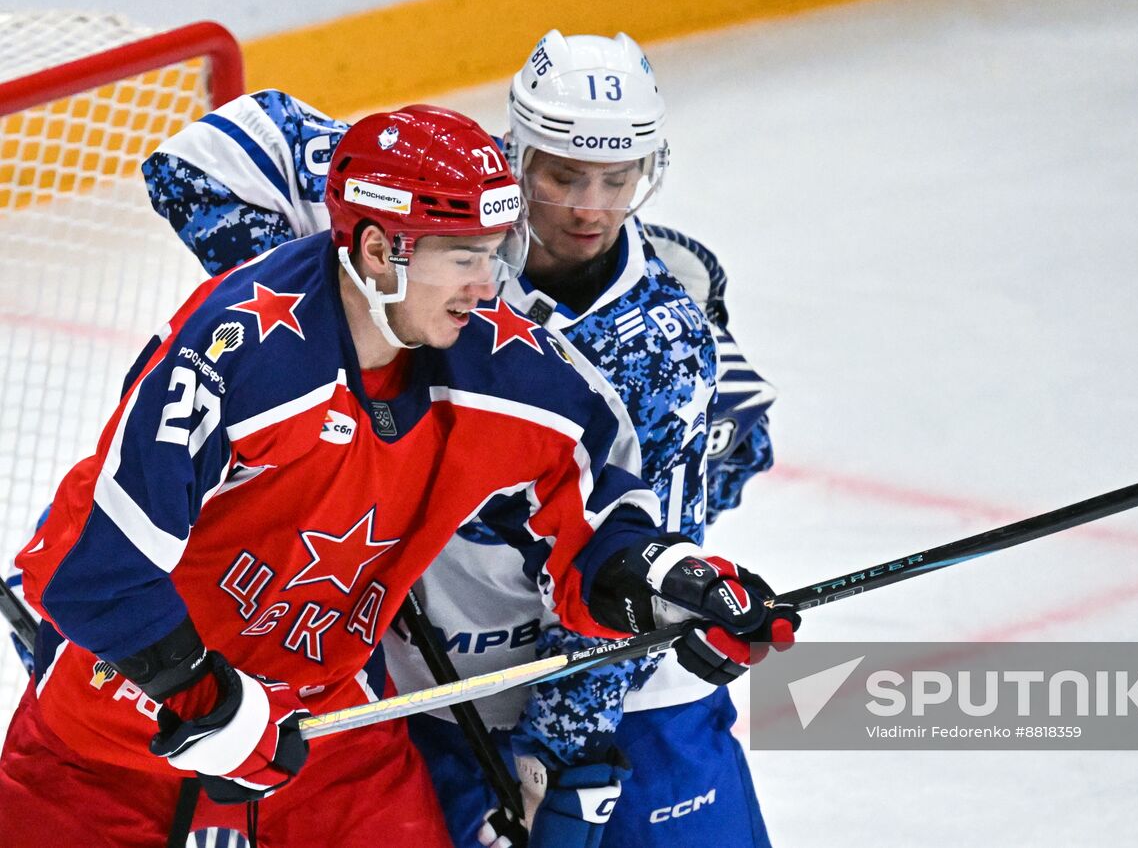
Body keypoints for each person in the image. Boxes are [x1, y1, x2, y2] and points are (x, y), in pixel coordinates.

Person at [0, 103, 795, 848]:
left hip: (331, 724)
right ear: (379, 250)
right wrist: (215, 702)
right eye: (463, 259)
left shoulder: (501, 362)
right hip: (118, 722)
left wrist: (674, 586)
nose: (490, 288)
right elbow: (99, 580)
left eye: (493, 255)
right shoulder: (240, 354)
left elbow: (600, 528)